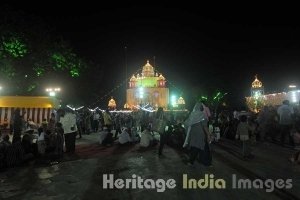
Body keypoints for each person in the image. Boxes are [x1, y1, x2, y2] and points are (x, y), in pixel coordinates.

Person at [183, 102, 212, 166]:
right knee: (203, 148)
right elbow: (205, 126)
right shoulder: (202, 115)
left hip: (193, 134)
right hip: (201, 135)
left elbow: (186, 123)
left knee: (195, 147)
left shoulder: (192, 115)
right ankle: (206, 163)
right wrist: (208, 135)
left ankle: (191, 162)